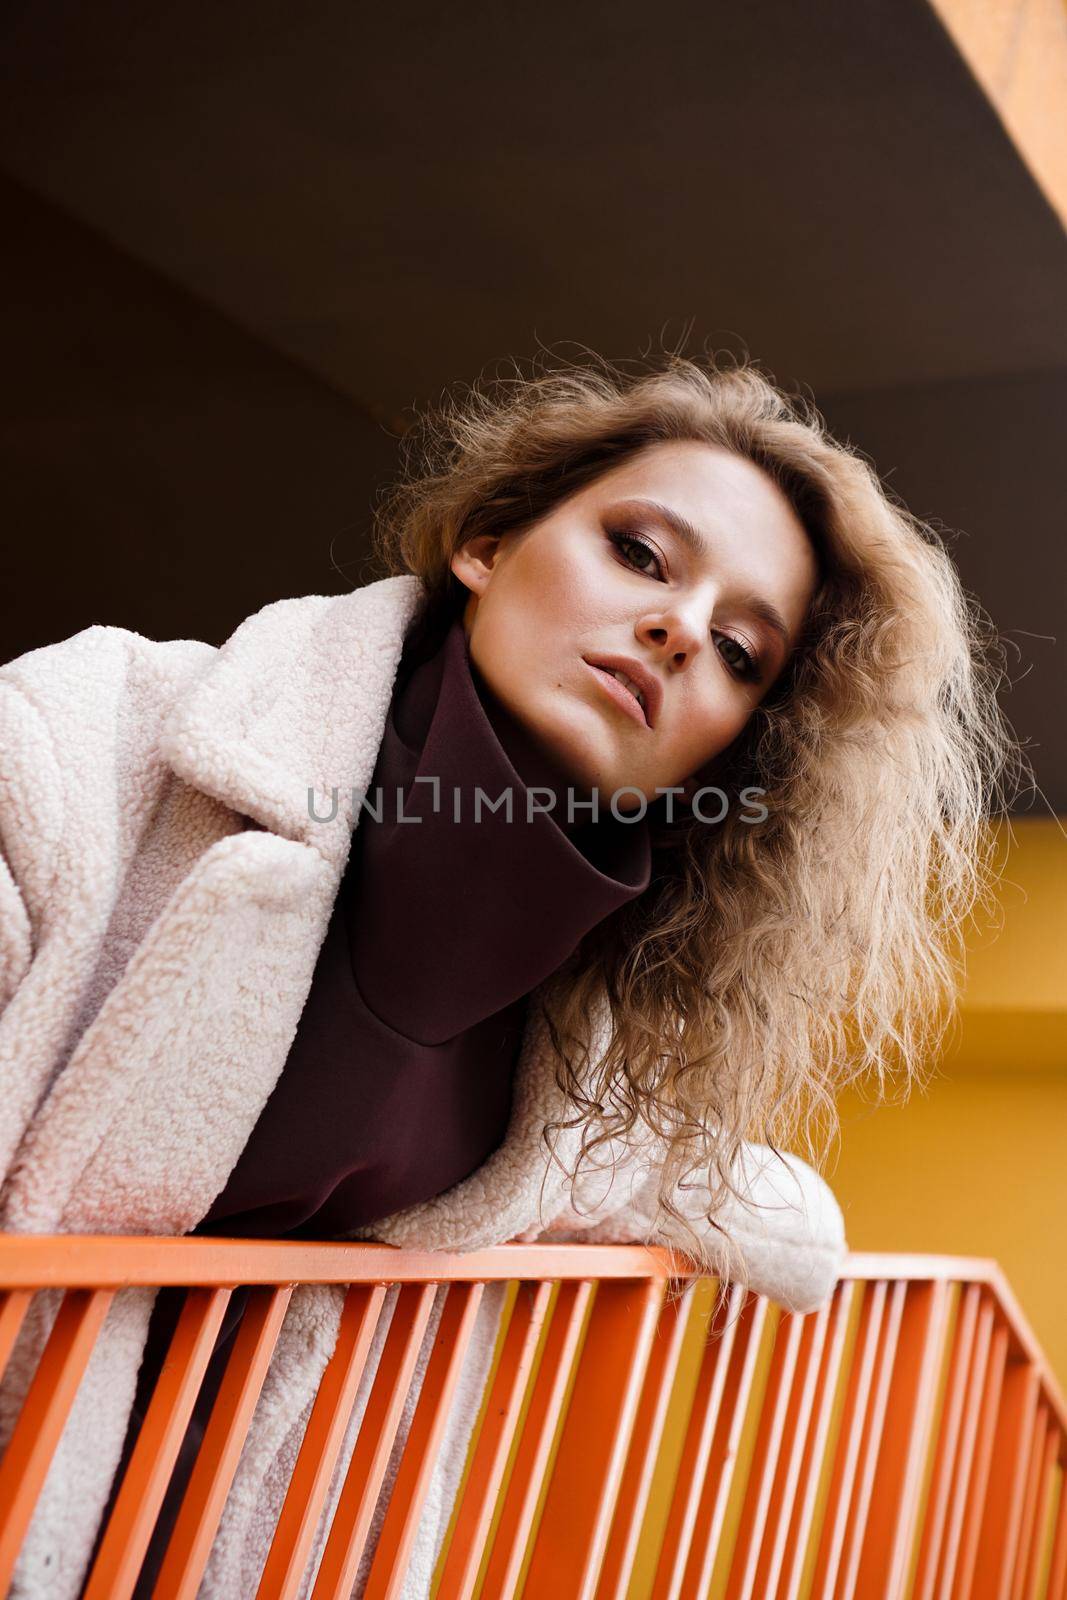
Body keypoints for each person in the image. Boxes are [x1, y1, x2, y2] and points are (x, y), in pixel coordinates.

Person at [0, 352, 1023, 1598]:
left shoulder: (590, 1005)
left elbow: (694, 1185)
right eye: (641, 554)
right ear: (485, 543)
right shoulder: (101, 726)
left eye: (743, 651)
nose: (680, 627)